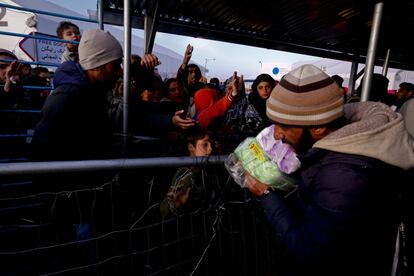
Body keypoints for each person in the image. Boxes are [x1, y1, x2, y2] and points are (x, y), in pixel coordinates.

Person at [245, 64, 414, 276]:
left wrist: (267, 194)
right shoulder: (341, 152)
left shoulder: (343, 177)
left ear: (318, 127)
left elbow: (312, 255)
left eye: (284, 126)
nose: (277, 135)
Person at [31, 29, 123, 161]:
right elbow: (43, 154)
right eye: (115, 64)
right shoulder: (66, 98)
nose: (119, 71)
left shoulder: (94, 90)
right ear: (97, 65)